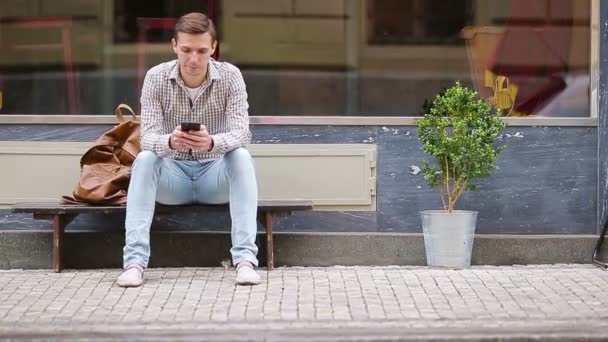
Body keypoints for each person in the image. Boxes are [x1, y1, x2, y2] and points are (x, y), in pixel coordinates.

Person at [116, 12, 261, 287]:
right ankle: (134, 263)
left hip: (214, 176)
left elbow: (243, 132)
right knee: (146, 159)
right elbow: (147, 138)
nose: (193, 59)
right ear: (173, 46)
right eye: (186, 50)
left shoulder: (231, 76)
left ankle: (245, 261)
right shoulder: (155, 77)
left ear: (213, 49)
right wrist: (170, 142)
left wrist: (213, 143)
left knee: (241, 156)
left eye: (202, 51)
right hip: (173, 178)